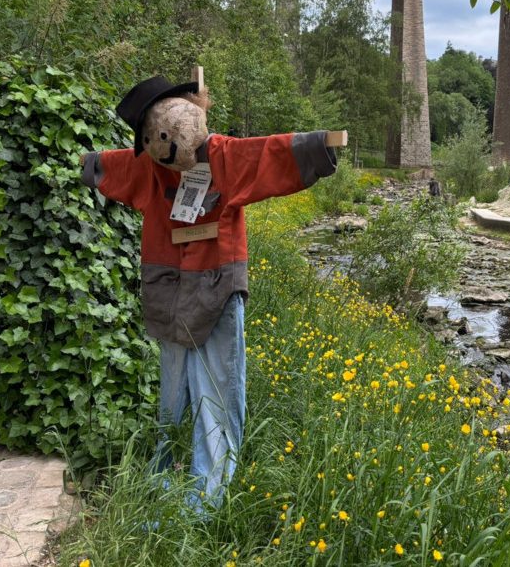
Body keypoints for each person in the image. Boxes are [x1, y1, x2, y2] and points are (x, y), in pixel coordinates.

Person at [81, 75, 338, 515]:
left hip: (216, 289)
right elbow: (117, 166)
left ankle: (210, 489)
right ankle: (172, 469)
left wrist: (318, 145)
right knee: (174, 393)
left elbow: (267, 154)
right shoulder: (147, 165)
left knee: (218, 390)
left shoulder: (224, 156)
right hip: (170, 290)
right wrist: (94, 166)